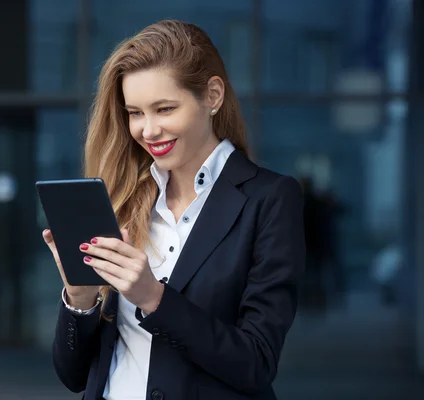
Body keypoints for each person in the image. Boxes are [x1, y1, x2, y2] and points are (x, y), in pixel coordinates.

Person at [42, 20, 305, 400]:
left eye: (164, 108)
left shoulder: (270, 198)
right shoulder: (124, 198)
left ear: (212, 95)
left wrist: (153, 297)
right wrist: (80, 299)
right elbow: (74, 376)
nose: (148, 130)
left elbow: (256, 362)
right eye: (135, 113)